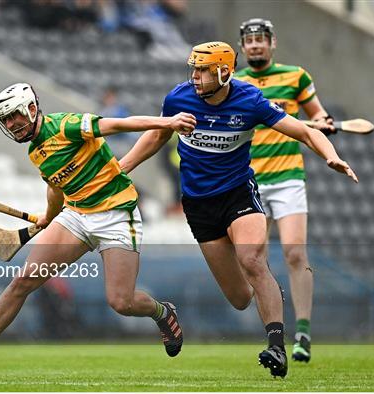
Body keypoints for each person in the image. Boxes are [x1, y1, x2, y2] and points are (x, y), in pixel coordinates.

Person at [119, 42, 357, 378]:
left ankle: (276, 345)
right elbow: (157, 137)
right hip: (199, 205)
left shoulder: (250, 101)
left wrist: (330, 155)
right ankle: (266, 290)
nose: (195, 77)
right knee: (240, 298)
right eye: (194, 69)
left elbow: (304, 130)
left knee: (252, 260)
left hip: (238, 195)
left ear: (224, 72)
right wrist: (122, 167)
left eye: (203, 70)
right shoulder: (178, 98)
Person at [0, 83, 196, 373]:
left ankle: (163, 312)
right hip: (76, 214)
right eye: (6, 120)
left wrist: (169, 122)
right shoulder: (35, 152)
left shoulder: (66, 126)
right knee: (24, 280)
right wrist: (48, 216)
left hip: (116, 214)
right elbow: (55, 188)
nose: (12, 124)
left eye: (15, 115)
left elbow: (118, 124)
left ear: (32, 109)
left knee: (122, 302)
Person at [234, 18, 336, 364]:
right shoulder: (236, 83)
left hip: (289, 177)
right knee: (251, 258)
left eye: (261, 39)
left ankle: (303, 331)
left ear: (272, 43)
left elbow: (318, 116)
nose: (256, 45)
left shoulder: (296, 76)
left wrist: (324, 122)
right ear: (243, 47)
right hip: (251, 180)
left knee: (295, 252)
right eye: (249, 41)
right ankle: (272, 329)